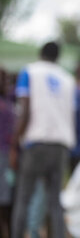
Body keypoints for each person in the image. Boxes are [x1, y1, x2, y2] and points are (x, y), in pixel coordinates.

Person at [9, 42, 76, 238]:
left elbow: (25, 111)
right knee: (55, 202)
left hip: (36, 144)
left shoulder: (29, 72)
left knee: (24, 199)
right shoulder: (67, 79)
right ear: (57, 57)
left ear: (40, 53)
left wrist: (15, 143)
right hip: (61, 146)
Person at [0, 68, 15, 238]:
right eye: (4, 81)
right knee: (4, 202)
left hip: (8, 156)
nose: (8, 85)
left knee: (8, 199)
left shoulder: (8, 100)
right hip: (3, 155)